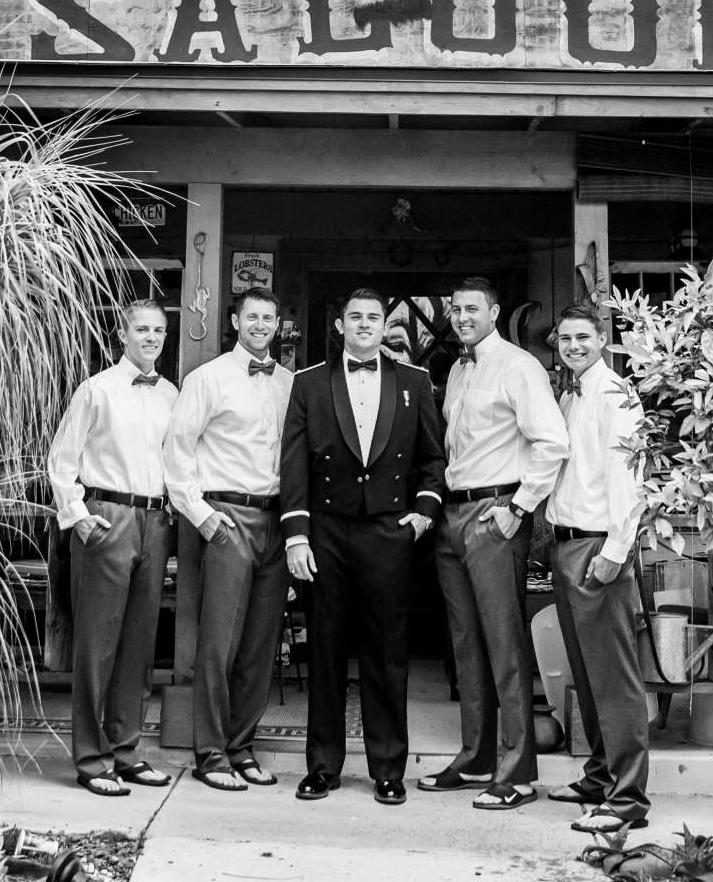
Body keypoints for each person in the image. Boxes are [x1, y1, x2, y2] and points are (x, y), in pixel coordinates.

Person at [280, 288, 446, 806]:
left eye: (373, 317)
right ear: (340, 325)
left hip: (387, 533)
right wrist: (297, 534)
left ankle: (388, 768)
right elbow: (294, 464)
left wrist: (422, 515)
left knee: (387, 655)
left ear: (384, 324)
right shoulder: (308, 383)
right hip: (326, 532)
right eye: (355, 317)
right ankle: (322, 766)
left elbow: (432, 458)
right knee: (326, 648)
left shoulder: (415, 382)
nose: (365, 325)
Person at [420, 277, 568, 810]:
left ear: (494, 312)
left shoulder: (519, 366)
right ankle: (475, 757)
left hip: (495, 512)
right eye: (456, 309)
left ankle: (518, 772)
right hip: (453, 514)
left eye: (473, 309)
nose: (462, 317)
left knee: (505, 644)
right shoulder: (459, 369)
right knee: (466, 646)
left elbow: (553, 442)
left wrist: (518, 509)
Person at [162, 288, 294, 793]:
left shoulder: (288, 383)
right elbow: (178, 452)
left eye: (268, 316)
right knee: (219, 643)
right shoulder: (207, 379)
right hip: (226, 518)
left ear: (278, 324)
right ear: (235, 320)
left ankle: (242, 747)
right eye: (251, 316)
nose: (260, 323)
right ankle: (210, 753)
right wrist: (202, 516)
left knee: (262, 644)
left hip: (277, 521)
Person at [47, 299, 178, 798]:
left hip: (156, 519)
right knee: (97, 646)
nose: (151, 338)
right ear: (122, 335)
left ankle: (127, 751)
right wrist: (79, 519)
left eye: (159, 331)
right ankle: (90, 757)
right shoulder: (95, 390)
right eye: (141, 329)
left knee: (139, 645)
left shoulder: (171, 394)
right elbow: (61, 460)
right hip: (107, 517)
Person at [545, 303, 652, 835]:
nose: (573, 346)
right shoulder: (569, 393)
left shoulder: (617, 396)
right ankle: (598, 775)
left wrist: (616, 550)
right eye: (565, 338)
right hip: (565, 544)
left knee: (614, 675)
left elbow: (627, 479)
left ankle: (628, 797)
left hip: (597, 546)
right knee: (586, 673)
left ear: (603, 339)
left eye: (583, 337)